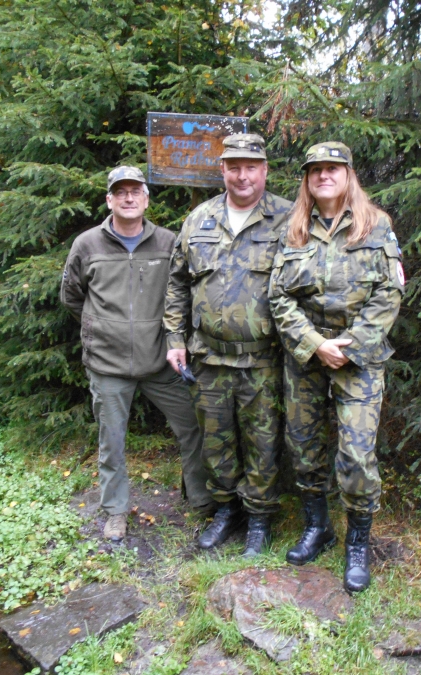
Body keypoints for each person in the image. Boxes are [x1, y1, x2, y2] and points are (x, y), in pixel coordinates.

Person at [269, 142, 405, 593]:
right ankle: (318, 527)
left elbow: (390, 292)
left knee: (357, 455)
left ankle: (357, 544)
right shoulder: (294, 229)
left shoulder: (376, 225)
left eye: (333, 168)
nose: (323, 175)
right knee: (304, 446)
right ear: (307, 180)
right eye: (315, 170)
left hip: (358, 359)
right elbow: (278, 296)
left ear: (348, 175)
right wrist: (315, 343)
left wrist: (350, 346)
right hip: (307, 358)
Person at [61, 166, 212, 542]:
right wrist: (102, 328)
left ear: (146, 199)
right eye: (120, 192)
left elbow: (182, 293)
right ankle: (115, 511)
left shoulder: (168, 242)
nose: (128, 198)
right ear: (109, 200)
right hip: (108, 365)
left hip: (161, 362)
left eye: (135, 191)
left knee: (193, 428)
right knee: (112, 441)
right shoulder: (87, 245)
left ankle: (202, 501)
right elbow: (72, 296)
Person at [164, 133, 293, 557]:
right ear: (222, 170)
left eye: (251, 167)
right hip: (208, 356)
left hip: (264, 360)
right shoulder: (199, 219)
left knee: (263, 442)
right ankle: (226, 510)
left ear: (264, 170)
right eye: (233, 167)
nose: (242, 176)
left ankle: (259, 518)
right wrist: (175, 339)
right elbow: (177, 283)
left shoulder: (289, 218)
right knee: (215, 440)